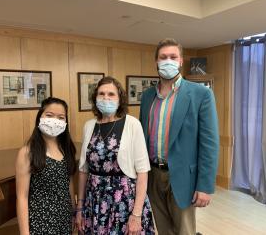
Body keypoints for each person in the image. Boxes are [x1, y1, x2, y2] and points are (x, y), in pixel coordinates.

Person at [139, 38, 219, 235]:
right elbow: (142, 137)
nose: (168, 61)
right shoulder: (147, 96)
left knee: (184, 231)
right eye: (163, 57)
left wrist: (205, 186)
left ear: (181, 61)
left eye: (173, 57)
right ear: (156, 62)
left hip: (183, 177)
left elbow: (209, 143)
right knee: (163, 230)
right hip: (153, 176)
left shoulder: (200, 94)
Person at [76, 76, 155, 234]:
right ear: (95, 98)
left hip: (124, 201)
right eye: (101, 93)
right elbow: (84, 170)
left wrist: (137, 214)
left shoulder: (132, 124)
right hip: (94, 201)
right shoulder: (89, 126)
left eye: (111, 94)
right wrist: (79, 207)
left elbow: (142, 172)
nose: (106, 98)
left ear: (120, 99)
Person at [16, 97, 76, 235]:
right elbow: (21, 197)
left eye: (61, 117)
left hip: (64, 219)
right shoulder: (27, 152)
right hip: (40, 221)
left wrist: (73, 212)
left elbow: (69, 184)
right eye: (49, 115)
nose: (55, 120)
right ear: (40, 118)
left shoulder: (67, 149)